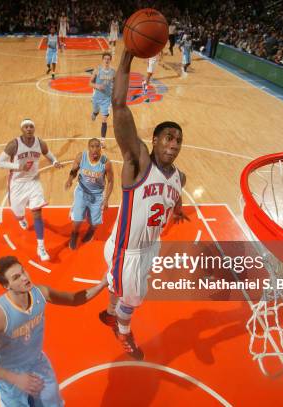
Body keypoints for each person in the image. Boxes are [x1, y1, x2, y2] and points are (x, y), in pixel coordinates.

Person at [100, 49, 187, 360]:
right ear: (154, 140)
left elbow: (174, 196)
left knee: (120, 290)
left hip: (150, 247)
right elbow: (120, 106)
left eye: (178, 140)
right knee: (134, 301)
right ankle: (122, 332)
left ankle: (111, 310)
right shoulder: (138, 163)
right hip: (128, 250)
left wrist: (178, 210)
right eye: (168, 138)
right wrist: (125, 61)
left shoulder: (180, 177)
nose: (173, 144)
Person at [0, 256, 106, 406]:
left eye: (23, 271)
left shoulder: (40, 293)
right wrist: (15, 378)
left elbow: (74, 299)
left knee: (52, 404)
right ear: (6, 285)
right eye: (16, 277)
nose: (24, 278)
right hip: (8, 372)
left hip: (36, 362)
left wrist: (102, 285)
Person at [0, 119, 63, 261]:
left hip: (33, 181)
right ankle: (21, 217)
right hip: (17, 183)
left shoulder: (40, 143)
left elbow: (48, 153)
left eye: (31, 126)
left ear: (34, 128)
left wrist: (55, 161)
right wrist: (18, 167)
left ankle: (41, 247)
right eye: (26, 126)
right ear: (22, 129)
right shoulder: (14, 144)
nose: (29, 129)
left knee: (37, 212)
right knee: (17, 212)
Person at [65, 138, 114, 250]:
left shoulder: (106, 163)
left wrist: (106, 199)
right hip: (82, 192)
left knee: (94, 222)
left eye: (97, 146)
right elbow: (74, 170)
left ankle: (91, 231)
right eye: (92, 146)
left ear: (100, 148)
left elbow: (111, 181)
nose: (95, 149)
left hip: (97, 195)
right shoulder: (81, 157)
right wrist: (69, 180)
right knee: (77, 219)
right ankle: (74, 234)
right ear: (88, 147)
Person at [89, 52, 115, 147]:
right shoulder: (97, 70)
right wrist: (97, 86)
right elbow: (90, 83)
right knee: (96, 111)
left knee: (104, 119)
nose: (107, 60)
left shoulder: (113, 72)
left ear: (110, 60)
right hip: (97, 97)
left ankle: (102, 141)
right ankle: (95, 113)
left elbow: (115, 83)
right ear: (103, 59)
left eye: (108, 59)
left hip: (107, 99)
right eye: (105, 59)